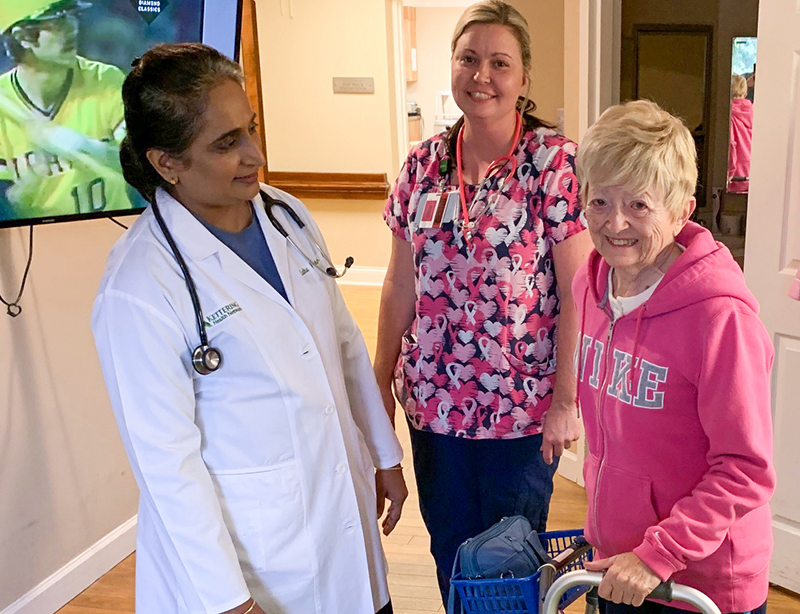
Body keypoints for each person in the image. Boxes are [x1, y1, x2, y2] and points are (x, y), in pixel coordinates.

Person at [92, 43, 408, 614]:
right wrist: (228, 601)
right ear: (167, 163)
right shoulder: (139, 286)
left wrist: (383, 452)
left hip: (341, 524)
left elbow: (342, 340)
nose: (254, 154)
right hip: (255, 568)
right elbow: (167, 463)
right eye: (225, 143)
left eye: (250, 129)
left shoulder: (286, 215)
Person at [375, 0, 592, 602]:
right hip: (434, 405)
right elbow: (399, 285)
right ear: (452, 65)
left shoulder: (554, 162)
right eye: (468, 59)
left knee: (510, 565)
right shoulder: (421, 166)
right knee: (451, 553)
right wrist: (378, 391)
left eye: (500, 62)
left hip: (521, 411)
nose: (482, 76)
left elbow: (577, 292)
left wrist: (566, 400)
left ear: (523, 79)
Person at [573, 99, 775, 614]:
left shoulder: (719, 319)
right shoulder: (589, 284)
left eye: (639, 205)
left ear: (681, 209)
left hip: (698, 584)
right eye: (600, 201)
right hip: (620, 566)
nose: (615, 222)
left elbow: (744, 468)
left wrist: (657, 555)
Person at [0, 0, 134, 221]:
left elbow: (138, 166)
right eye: (56, 20)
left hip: (113, 230)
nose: (71, 27)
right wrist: (23, 194)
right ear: (24, 37)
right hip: (39, 241)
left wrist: (75, 143)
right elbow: (8, 208)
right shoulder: (4, 106)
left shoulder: (106, 80)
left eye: (70, 16)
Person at [727, 74, 753, 194]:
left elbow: (731, 146)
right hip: (752, 179)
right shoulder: (756, 113)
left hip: (735, 181)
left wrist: (728, 176)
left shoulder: (729, 116)